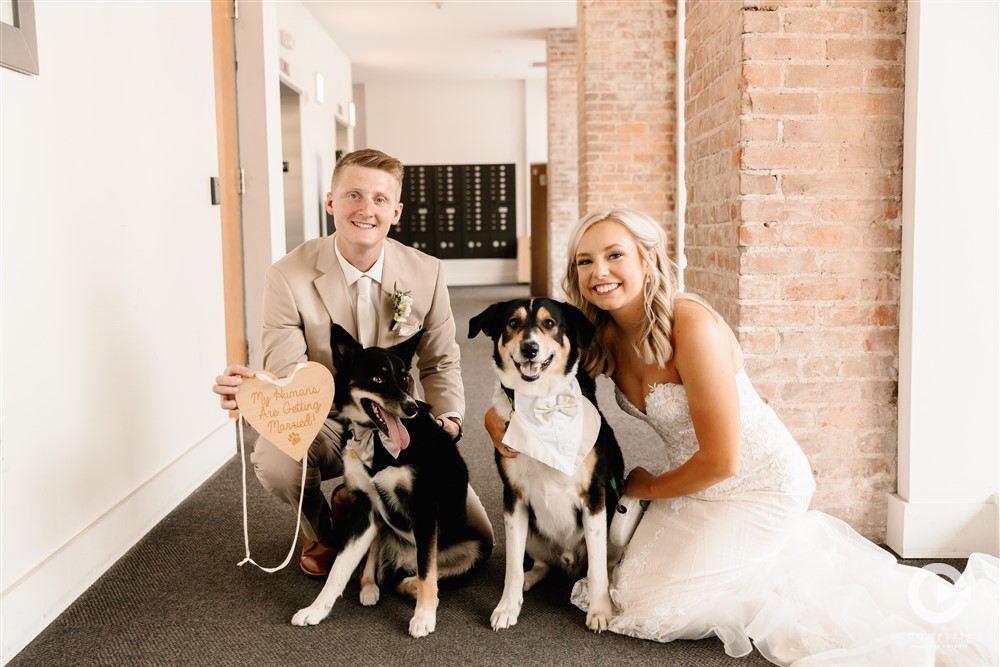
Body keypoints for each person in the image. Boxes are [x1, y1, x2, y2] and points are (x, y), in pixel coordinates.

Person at [486, 208, 998, 665]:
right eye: (584, 261)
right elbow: (545, 401)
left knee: (654, 607)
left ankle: (788, 564)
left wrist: (644, 487)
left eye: (614, 255)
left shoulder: (691, 324)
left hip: (753, 478)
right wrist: (496, 422)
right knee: (630, 587)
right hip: (694, 481)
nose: (599, 272)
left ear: (647, 258)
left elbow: (725, 460)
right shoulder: (596, 337)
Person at [214, 148, 488, 577]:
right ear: (331, 203)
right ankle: (323, 531)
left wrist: (449, 419)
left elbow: (440, 362)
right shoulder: (287, 276)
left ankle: (358, 497)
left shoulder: (427, 272)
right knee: (277, 459)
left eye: (380, 199)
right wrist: (254, 394)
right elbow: (287, 373)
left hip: (399, 420)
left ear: (395, 211)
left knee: (476, 539)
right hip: (325, 416)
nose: (366, 209)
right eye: (353, 196)